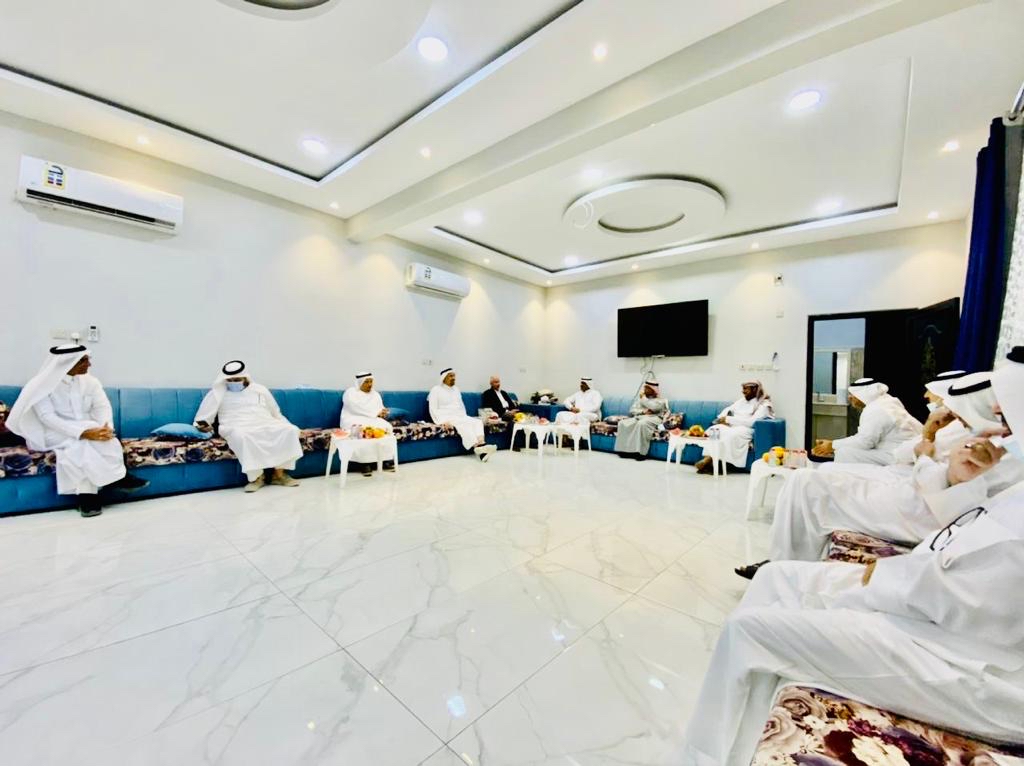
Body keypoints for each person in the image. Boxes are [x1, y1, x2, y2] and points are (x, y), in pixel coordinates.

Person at [681, 348, 1024, 765]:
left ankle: (703, 757)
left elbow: (963, 594)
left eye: (1006, 411)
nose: (997, 420)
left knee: (749, 630)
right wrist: (947, 470)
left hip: (981, 669)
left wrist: (878, 578)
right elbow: (961, 537)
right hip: (941, 607)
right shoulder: (1004, 467)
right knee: (778, 577)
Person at [735, 371, 1022, 576]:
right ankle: (786, 563)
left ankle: (784, 568)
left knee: (809, 480)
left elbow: (924, 471)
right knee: (818, 474)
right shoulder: (987, 439)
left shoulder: (991, 444)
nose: (926, 397)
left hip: (922, 506)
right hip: (917, 486)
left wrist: (925, 448)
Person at [6, 344, 148, 517]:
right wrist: (83, 433)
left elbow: (102, 407)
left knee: (98, 442)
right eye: (83, 360)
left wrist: (105, 429)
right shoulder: (41, 385)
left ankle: (88, 497)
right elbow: (47, 418)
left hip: (85, 428)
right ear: (67, 363)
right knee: (80, 444)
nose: (89, 364)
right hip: (50, 433)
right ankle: (116, 478)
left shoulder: (91, 382)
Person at [193, 360, 302, 492]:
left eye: (236, 379)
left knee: (290, 430)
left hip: (264, 422)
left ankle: (279, 475)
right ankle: (257, 478)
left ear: (245, 377)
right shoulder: (217, 393)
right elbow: (203, 417)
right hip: (234, 425)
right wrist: (203, 426)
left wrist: (288, 425)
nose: (233, 382)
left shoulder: (260, 390)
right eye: (230, 380)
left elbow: (276, 413)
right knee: (242, 436)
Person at [811, 378, 922, 465]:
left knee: (844, 452)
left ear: (864, 394)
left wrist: (832, 445)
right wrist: (832, 445)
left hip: (897, 455)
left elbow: (865, 442)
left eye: (853, 394)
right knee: (843, 449)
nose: (850, 398)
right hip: (906, 451)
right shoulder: (888, 402)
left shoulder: (876, 409)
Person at [695, 381, 775, 474]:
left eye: (745, 389)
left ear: (754, 389)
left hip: (747, 429)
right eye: (743, 389)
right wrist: (723, 418)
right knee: (715, 430)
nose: (743, 391)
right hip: (733, 426)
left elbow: (751, 422)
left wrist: (729, 420)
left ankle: (714, 462)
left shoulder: (764, 405)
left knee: (731, 434)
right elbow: (728, 409)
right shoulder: (742, 401)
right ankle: (708, 460)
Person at [428, 368, 495, 461]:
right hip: (446, 418)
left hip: (459, 416)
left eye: (454, 376)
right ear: (444, 378)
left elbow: (461, 405)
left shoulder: (456, 389)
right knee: (464, 425)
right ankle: (480, 448)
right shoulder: (436, 390)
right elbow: (433, 409)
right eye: (451, 376)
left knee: (477, 422)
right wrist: (442, 422)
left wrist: (464, 416)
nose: (453, 378)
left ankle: (482, 444)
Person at [341, 371, 396, 477]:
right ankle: (365, 463)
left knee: (386, 427)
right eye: (367, 382)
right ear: (360, 382)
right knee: (364, 429)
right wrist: (375, 413)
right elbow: (354, 408)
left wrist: (383, 412)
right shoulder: (350, 393)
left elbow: (380, 408)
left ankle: (385, 460)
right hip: (353, 418)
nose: (370, 384)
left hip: (372, 418)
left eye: (371, 381)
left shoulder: (375, 394)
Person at [613, 380, 668, 461]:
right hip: (640, 417)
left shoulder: (661, 400)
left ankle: (640, 453)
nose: (645, 390)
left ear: (653, 389)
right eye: (645, 388)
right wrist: (643, 411)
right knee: (623, 423)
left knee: (641, 424)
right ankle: (624, 451)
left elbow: (654, 407)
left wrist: (643, 398)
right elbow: (632, 410)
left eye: (647, 388)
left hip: (654, 418)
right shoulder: (640, 400)